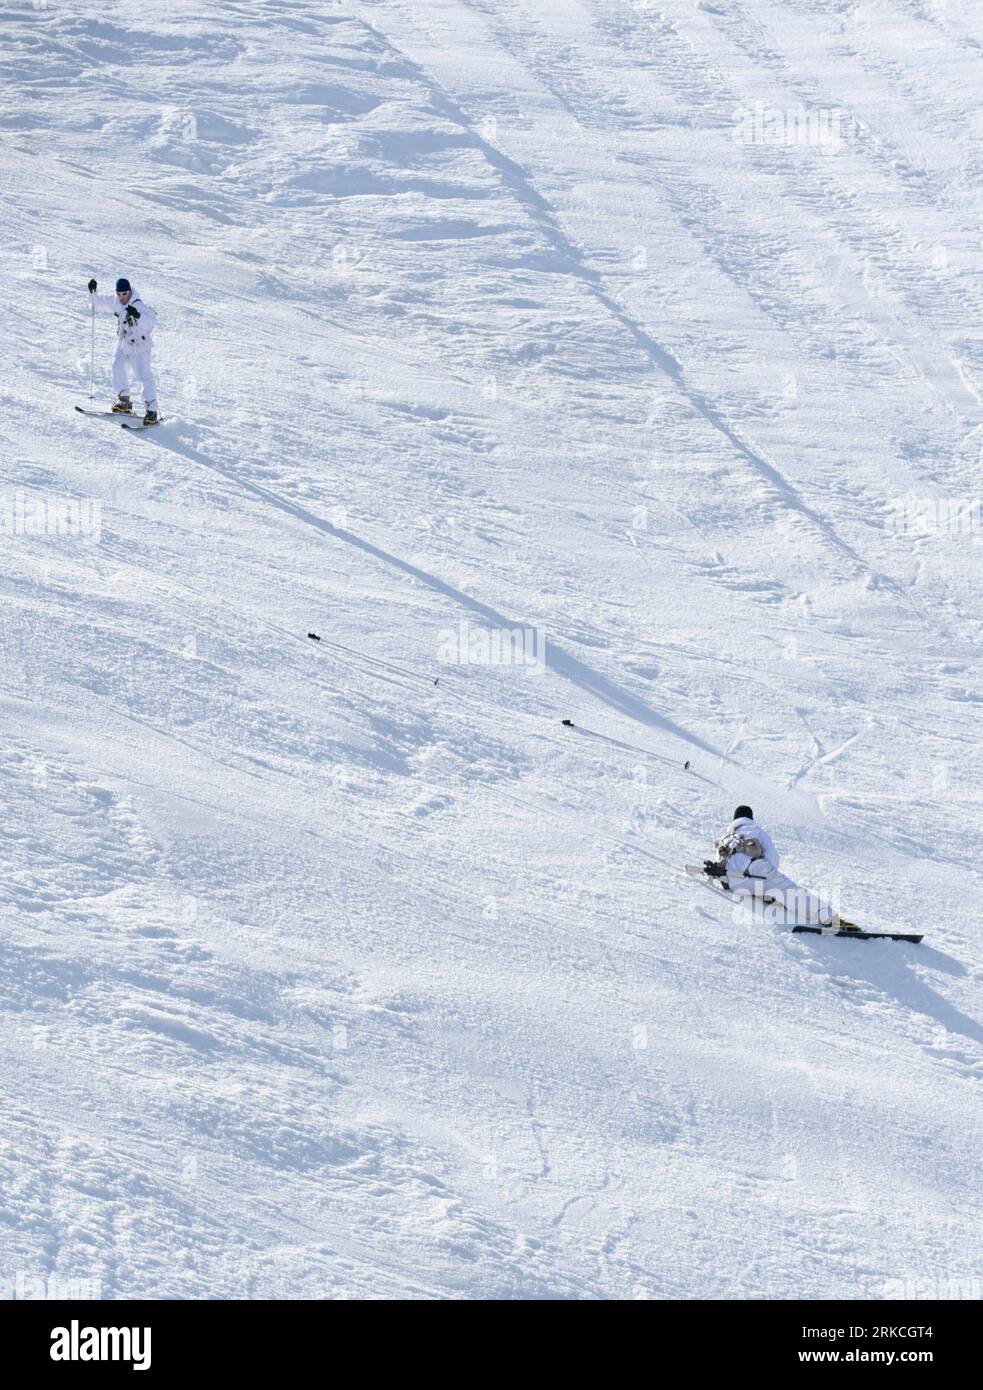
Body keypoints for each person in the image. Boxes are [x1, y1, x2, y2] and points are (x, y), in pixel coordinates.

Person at [704, 805, 838, 926]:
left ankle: (765, 891)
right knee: (788, 890)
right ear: (750, 818)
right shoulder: (755, 830)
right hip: (753, 872)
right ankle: (826, 915)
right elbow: (773, 858)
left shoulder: (725, 837)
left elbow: (719, 858)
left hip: (731, 882)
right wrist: (770, 878)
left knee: (767, 885)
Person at [86, 276, 160, 424]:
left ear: (130, 292)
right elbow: (97, 303)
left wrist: (138, 316)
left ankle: (152, 411)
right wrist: (92, 293)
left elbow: (152, 322)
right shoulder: (116, 301)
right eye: (119, 294)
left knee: (144, 375)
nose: (121, 298)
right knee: (117, 367)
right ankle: (124, 401)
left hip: (140, 346)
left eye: (124, 294)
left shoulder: (138, 305)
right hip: (125, 343)